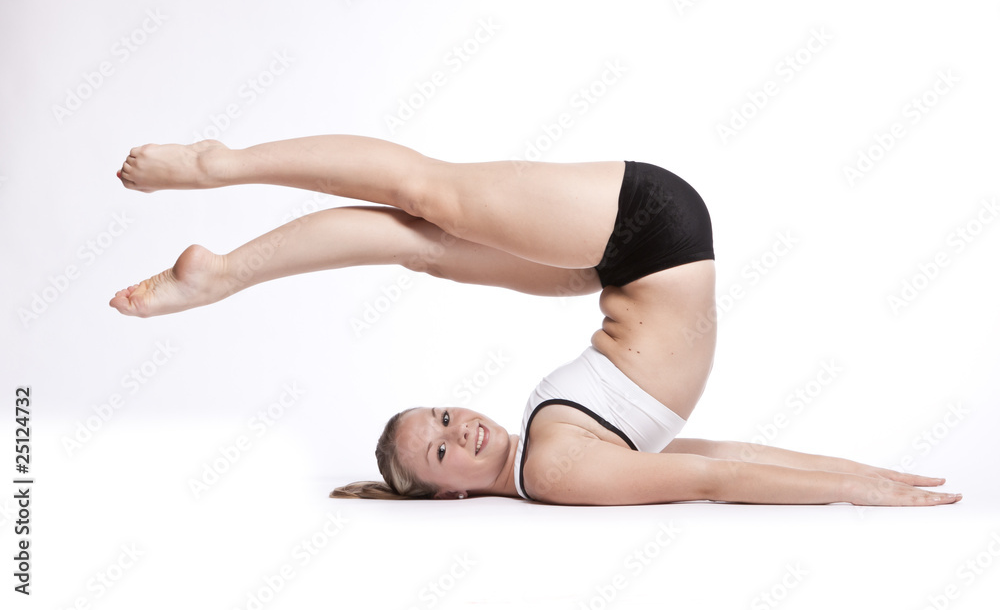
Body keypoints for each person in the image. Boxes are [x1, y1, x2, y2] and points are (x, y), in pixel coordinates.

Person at [111, 134, 961, 507]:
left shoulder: (550, 453)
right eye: (441, 449)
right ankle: (220, 268)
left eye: (443, 416)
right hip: (645, 245)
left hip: (641, 242)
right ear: (449, 493)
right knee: (422, 233)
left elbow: (712, 472)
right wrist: (860, 478)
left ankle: (219, 174)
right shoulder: (553, 469)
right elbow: (714, 467)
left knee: (427, 203)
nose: (462, 429)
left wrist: (854, 486)